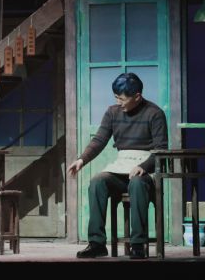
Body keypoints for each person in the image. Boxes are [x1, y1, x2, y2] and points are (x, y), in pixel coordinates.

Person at [67, 72, 167, 260]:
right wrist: (82, 159)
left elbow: (161, 150)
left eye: (122, 99)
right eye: (116, 98)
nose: (118, 102)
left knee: (137, 183)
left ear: (137, 96)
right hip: (120, 167)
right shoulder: (112, 112)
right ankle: (97, 243)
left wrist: (144, 166)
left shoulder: (155, 113)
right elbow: (99, 140)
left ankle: (137, 244)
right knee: (97, 182)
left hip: (144, 171)